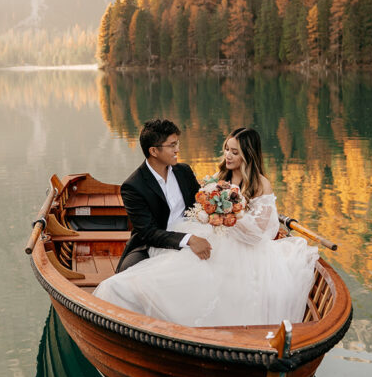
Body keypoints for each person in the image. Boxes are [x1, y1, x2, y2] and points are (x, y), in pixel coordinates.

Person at [95, 127, 318, 327]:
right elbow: (152, 230)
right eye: (226, 149)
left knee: (206, 272)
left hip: (231, 242)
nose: (227, 155)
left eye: (234, 151)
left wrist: (226, 215)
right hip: (166, 239)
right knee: (133, 280)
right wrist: (209, 220)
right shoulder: (136, 186)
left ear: (247, 155)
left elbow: (257, 230)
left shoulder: (188, 172)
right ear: (154, 151)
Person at [115, 118, 212, 273]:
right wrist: (188, 239)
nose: (177, 150)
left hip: (193, 231)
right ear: (153, 151)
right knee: (126, 276)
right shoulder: (133, 186)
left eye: (177, 143)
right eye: (172, 145)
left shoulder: (184, 171)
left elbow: (199, 205)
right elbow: (148, 233)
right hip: (151, 244)